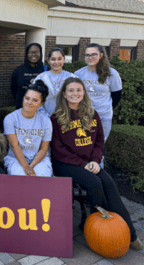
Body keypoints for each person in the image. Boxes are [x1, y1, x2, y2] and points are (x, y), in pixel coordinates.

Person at [51, 77, 143, 251]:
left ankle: (130, 233)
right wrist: (82, 163)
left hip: (89, 162)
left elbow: (99, 141)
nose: (74, 93)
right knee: (94, 183)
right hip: (66, 163)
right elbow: (58, 149)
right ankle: (96, 225)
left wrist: (94, 160)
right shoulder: (56, 117)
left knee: (108, 182)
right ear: (64, 94)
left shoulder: (93, 114)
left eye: (78, 90)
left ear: (83, 92)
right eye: (70, 90)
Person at [74, 43, 122, 142]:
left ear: (101, 55)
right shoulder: (78, 74)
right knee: (83, 143)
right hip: (83, 116)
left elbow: (117, 95)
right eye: (87, 55)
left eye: (94, 54)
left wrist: (106, 108)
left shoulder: (111, 74)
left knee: (99, 144)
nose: (90, 57)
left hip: (103, 118)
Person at [3, 80, 53, 177]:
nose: (29, 103)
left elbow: (44, 148)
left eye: (35, 100)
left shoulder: (45, 121)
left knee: (42, 177)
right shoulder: (11, 118)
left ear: (41, 103)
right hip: (16, 158)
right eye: (27, 98)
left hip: (39, 159)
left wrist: (32, 166)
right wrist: (26, 166)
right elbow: (14, 146)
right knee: (21, 178)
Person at [33, 48, 75, 117]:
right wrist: (44, 116)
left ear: (64, 60)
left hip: (67, 119)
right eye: (53, 59)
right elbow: (34, 99)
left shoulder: (71, 77)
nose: (56, 62)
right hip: (45, 119)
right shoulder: (41, 78)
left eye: (59, 59)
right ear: (49, 61)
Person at [11, 43, 48, 109]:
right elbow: (14, 90)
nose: (34, 55)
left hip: (41, 109)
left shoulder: (46, 70)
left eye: (37, 52)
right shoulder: (18, 70)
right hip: (22, 108)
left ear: (41, 54)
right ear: (26, 54)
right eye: (31, 52)